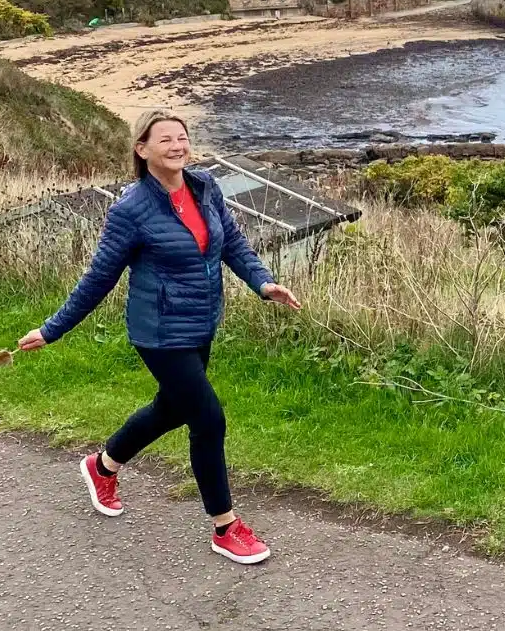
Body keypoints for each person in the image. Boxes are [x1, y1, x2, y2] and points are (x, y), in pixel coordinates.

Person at [17, 110, 300, 565]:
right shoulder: (130, 210)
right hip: (159, 332)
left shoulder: (204, 185)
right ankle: (225, 527)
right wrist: (52, 329)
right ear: (142, 149)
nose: (177, 145)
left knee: (172, 408)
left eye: (182, 137)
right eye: (165, 139)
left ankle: (103, 464)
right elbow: (98, 278)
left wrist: (263, 283)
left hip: (201, 323)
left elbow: (232, 243)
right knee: (208, 419)